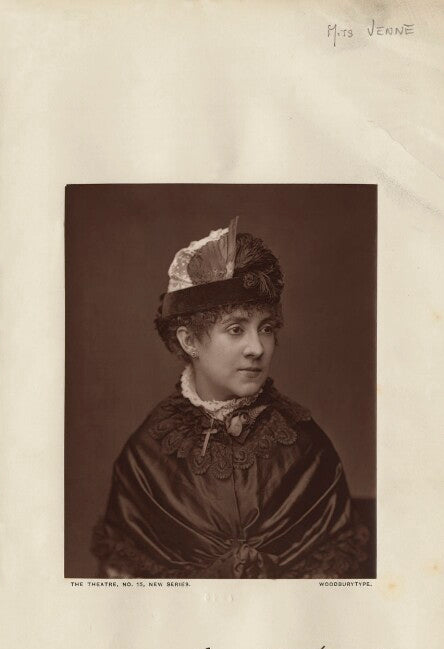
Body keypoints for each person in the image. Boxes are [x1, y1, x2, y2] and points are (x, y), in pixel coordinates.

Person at [91, 217, 369, 579]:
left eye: (266, 328)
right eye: (236, 329)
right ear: (189, 341)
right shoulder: (145, 457)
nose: (257, 348)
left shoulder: (308, 447)